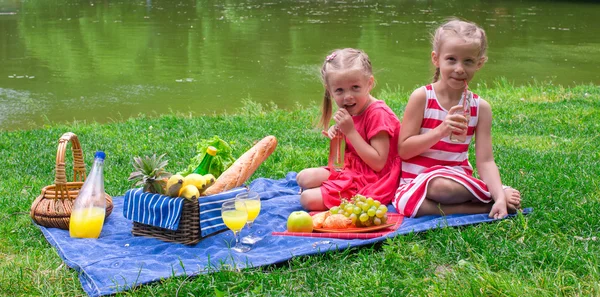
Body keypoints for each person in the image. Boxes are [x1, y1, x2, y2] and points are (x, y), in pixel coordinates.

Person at [392, 18, 521, 219]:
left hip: (455, 179)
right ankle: (486, 204)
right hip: (414, 182)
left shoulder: (480, 108)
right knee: (415, 202)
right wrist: (441, 130)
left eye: (468, 61)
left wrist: (499, 195)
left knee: (442, 187)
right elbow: (404, 150)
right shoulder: (422, 97)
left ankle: (495, 196)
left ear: (480, 63)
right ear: (436, 59)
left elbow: (485, 161)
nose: (459, 68)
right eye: (451, 59)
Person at [296, 48, 401, 211]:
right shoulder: (353, 107)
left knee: (307, 199)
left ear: (369, 83)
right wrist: (338, 132)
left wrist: (350, 132)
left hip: (376, 177)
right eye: (339, 90)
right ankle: (334, 187)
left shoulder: (378, 114)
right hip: (354, 167)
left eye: (355, 87)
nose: (348, 96)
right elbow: (349, 144)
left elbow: (379, 163)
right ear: (329, 90)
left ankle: (335, 190)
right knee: (302, 177)